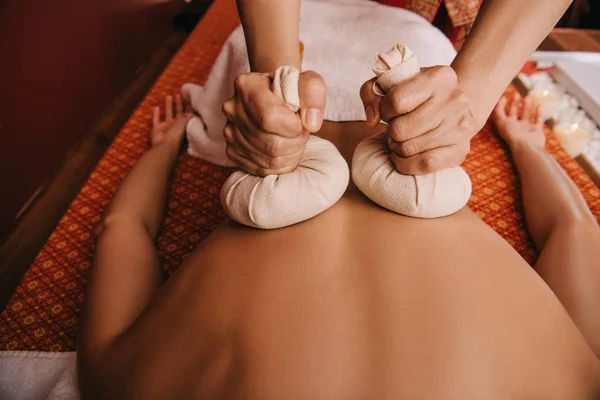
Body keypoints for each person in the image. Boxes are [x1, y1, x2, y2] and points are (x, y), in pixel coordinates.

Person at [77, 92, 600, 398]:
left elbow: (572, 231)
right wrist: (171, 145)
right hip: (329, 98)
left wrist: (528, 148)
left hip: (332, 98)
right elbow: (123, 229)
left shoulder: (576, 381)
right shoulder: (121, 381)